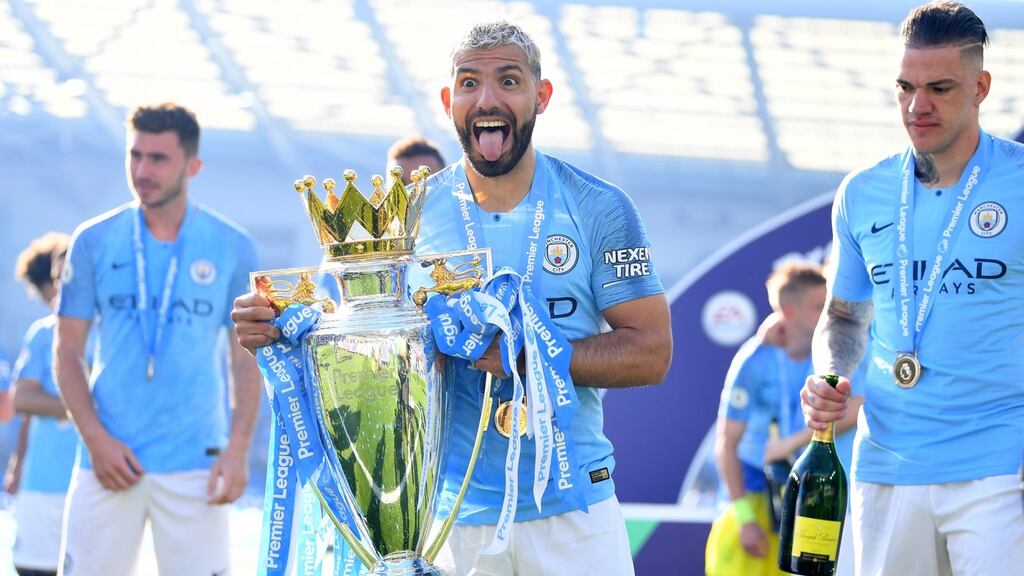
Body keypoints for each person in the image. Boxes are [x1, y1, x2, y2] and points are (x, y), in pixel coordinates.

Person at [233, 20, 672, 575]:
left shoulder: (600, 208)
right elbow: (344, 335)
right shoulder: (402, 218)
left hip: (572, 508)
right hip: (441, 517)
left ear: (541, 96)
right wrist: (276, 331)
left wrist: (524, 354)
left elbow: (651, 352)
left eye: (508, 81)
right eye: (469, 83)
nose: (487, 98)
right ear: (448, 101)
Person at [801, 3, 1024, 575]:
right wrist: (830, 376)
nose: (916, 106)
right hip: (886, 464)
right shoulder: (863, 192)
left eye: (940, 88)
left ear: (981, 87)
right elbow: (844, 319)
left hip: (1000, 466)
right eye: (905, 87)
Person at [54, 103, 261, 576]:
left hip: (197, 463)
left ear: (193, 166)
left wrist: (237, 448)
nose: (142, 171)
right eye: (135, 155)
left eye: (158, 159)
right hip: (108, 460)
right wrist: (95, 440)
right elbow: (67, 352)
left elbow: (245, 359)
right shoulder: (93, 240)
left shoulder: (231, 245)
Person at [707, 262, 851, 576]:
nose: (828, 314)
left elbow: (855, 406)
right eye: (819, 307)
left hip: (802, 497)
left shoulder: (830, 354)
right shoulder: (755, 358)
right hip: (754, 496)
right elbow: (726, 443)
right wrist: (745, 519)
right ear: (789, 310)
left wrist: (791, 443)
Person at [9, 232, 76, 576]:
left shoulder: (112, 331)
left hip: (96, 483)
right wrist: (19, 463)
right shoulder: (43, 333)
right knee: (33, 569)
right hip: (43, 481)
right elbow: (23, 402)